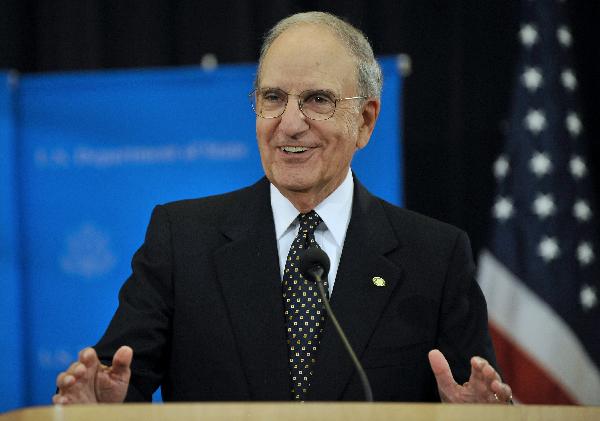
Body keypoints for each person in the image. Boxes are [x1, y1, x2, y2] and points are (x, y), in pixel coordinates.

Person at [54, 11, 513, 404]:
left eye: (317, 100)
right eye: (273, 98)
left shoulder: (434, 256)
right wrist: (103, 406)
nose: (290, 124)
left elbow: (469, 395)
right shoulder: (182, 239)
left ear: (366, 120)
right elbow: (120, 381)